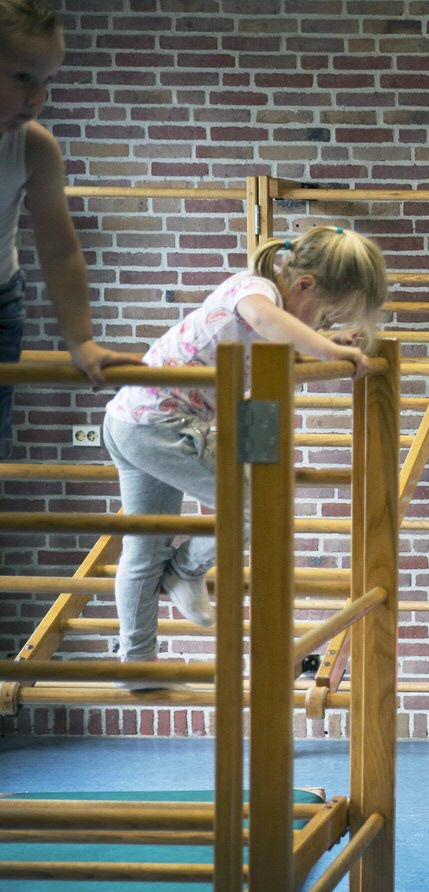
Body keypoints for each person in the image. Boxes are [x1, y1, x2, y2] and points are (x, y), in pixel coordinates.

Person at [103, 226, 387, 687]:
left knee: (143, 548)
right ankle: (182, 571)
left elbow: (271, 376)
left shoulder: (273, 325)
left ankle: (137, 663)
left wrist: (332, 348)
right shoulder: (254, 291)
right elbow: (271, 322)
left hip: (130, 420)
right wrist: (330, 348)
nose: (321, 328)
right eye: (325, 315)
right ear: (304, 285)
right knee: (261, 507)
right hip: (158, 425)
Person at [0, 0, 142, 457]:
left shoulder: (35, 147)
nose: (37, 97)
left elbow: (60, 250)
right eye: (23, 77)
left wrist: (81, 342)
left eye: (46, 81)